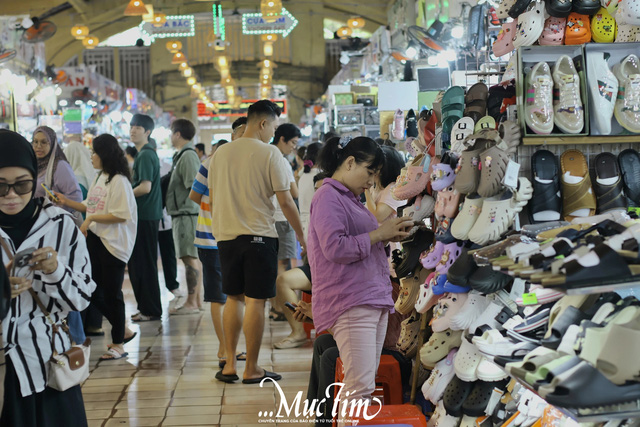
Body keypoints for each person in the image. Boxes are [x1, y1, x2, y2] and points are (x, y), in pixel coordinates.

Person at [307, 136, 413, 420]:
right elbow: (335, 247)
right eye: (369, 172)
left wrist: (389, 234)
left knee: (361, 387)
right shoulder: (327, 196)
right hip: (352, 301)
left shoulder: (347, 198)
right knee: (359, 390)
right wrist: (380, 234)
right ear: (350, 162)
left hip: (370, 298)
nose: (371, 181)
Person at [0, 130, 96, 426]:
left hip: (48, 363)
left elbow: (81, 298)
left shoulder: (60, 226)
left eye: (22, 184)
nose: (12, 195)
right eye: (0, 187)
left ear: (35, 180)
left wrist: (56, 271)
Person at [209, 100, 305, 384]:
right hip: (259, 236)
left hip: (226, 237)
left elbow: (212, 198)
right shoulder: (270, 153)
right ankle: (251, 368)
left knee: (233, 299)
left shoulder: (221, 153)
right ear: (263, 123)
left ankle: (229, 365)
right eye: (273, 126)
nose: (273, 132)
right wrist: (301, 235)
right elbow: (286, 200)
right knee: (255, 301)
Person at [55, 134, 138, 361]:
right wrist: (65, 201)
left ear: (105, 155)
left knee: (112, 295)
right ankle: (123, 329)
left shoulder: (119, 180)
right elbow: (89, 207)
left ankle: (118, 343)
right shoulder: (99, 177)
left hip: (113, 245)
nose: (91, 157)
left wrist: (90, 221)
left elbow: (121, 215)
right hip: (96, 240)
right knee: (90, 290)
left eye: (94, 153)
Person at [189, 118, 246, 366]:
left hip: (233, 238)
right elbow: (194, 195)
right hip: (211, 240)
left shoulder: (246, 162)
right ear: (235, 135)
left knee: (234, 294)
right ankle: (224, 349)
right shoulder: (210, 163)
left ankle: (230, 346)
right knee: (218, 296)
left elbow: (194, 196)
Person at [273, 142, 322, 349]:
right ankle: (299, 330)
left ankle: (305, 328)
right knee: (283, 279)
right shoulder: (315, 178)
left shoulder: (305, 176)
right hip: (316, 256)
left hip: (330, 266)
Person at [128, 114, 163, 322]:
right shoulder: (144, 154)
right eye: (132, 126)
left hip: (145, 216)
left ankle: (150, 309)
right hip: (144, 215)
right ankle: (147, 308)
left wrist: (124, 194)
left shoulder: (146, 155)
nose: (133, 130)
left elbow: (145, 187)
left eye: (138, 127)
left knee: (144, 264)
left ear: (148, 132)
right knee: (141, 263)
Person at [166, 119, 202, 315]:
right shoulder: (183, 155)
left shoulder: (187, 156)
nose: (171, 137)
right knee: (192, 258)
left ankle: (191, 302)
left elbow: (193, 187)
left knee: (189, 258)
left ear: (178, 134)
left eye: (172, 133)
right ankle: (195, 301)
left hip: (186, 214)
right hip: (185, 213)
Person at [32, 126, 83, 207]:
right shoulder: (33, 164)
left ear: (52, 144)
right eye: (35, 142)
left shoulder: (60, 166)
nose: (38, 146)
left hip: (54, 217)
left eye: (44, 142)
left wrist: (55, 208)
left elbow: (76, 197)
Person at [365, 145, 406, 223]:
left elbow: (377, 217)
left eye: (376, 167)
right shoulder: (377, 186)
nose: (373, 169)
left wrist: (366, 189)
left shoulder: (393, 188)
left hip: (386, 235)